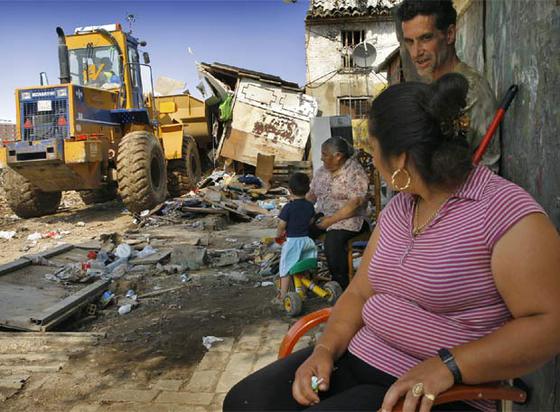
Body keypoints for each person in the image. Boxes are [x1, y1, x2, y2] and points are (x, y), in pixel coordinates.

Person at [223, 74, 560, 412]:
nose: (371, 161)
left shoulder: (505, 213)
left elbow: (548, 324)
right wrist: (325, 349)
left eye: (373, 148)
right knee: (244, 402)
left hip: (438, 391)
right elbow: (358, 292)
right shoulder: (401, 206)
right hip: (359, 357)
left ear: (399, 160)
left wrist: (451, 365)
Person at [397, 0, 500, 172]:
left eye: (425, 38)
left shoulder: (469, 89)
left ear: (450, 34)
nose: (416, 52)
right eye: (409, 42)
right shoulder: (432, 84)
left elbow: (446, 165)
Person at [306, 136, 369, 290]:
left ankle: (340, 286)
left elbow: (355, 203)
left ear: (338, 156)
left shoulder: (354, 171)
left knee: (333, 240)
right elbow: (311, 195)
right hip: (323, 216)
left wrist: (331, 220)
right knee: (300, 229)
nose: (321, 158)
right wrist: (300, 210)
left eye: (325, 154)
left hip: (350, 220)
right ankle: (302, 277)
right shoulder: (322, 171)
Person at [273, 172, 317, 304]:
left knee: (285, 269)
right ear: (308, 189)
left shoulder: (288, 207)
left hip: (293, 242)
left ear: (290, 190)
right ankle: (303, 290)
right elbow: (310, 222)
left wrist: (279, 235)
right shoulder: (310, 206)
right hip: (307, 242)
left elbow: (281, 224)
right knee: (302, 267)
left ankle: (282, 295)